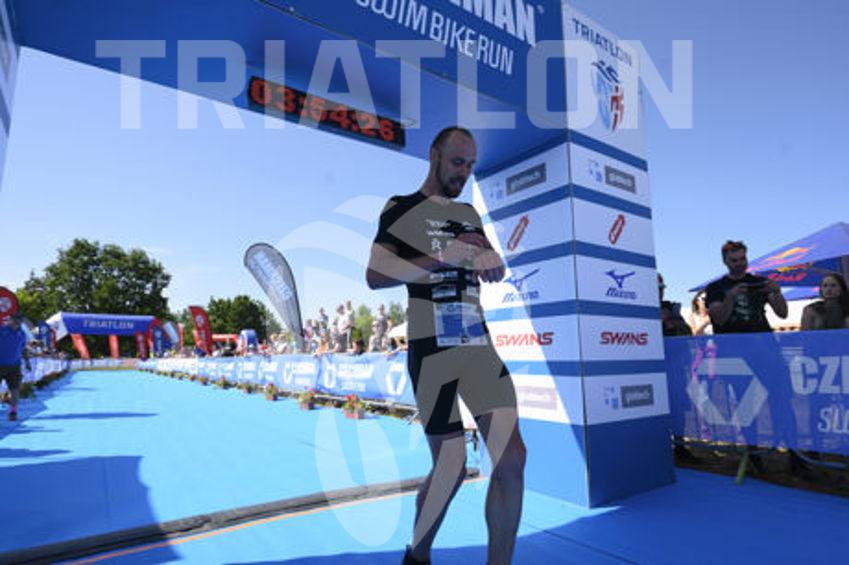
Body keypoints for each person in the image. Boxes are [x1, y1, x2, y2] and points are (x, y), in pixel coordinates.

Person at [366, 126, 526, 565]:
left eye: (470, 165)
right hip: (430, 348)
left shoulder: (469, 213)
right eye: (457, 163)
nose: (464, 173)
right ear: (434, 155)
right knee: (451, 466)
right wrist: (443, 257)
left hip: (478, 345)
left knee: (512, 460)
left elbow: (489, 262)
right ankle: (417, 555)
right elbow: (375, 275)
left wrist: (490, 260)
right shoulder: (401, 207)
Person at [706, 240, 788, 333]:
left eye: (743, 259)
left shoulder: (760, 282)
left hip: (760, 337)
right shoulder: (715, 287)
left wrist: (777, 292)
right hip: (730, 339)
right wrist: (730, 297)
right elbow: (719, 320)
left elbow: (783, 313)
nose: (739, 263)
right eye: (734, 260)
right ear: (725, 261)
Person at [0, 314, 31, 421]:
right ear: (10, 320)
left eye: (19, 321)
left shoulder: (22, 334)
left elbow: (23, 349)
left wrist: (27, 362)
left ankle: (13, 412)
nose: (17, 323)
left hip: (15, 366)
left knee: (15, 390)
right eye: (15, 320)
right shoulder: (1, 330)